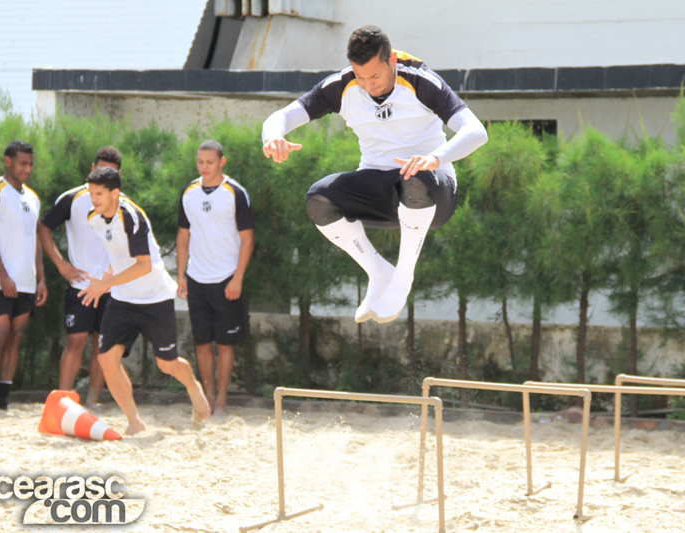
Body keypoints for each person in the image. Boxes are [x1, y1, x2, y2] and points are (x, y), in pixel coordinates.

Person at [262, 25, 487, 323]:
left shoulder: (421, 80)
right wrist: (273, 136)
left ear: (391, 60)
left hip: (433, 192)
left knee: (413, 179)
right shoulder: (342, 86)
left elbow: (476, 132)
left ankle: (403, 278)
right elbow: (283, 115)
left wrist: (436, 158)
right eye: (361, 77)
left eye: (375, 76)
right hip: (379, 190)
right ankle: (379, 271)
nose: (368, 85)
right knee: (318, 199)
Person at [79, 167, 210, 435]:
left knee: (166, 364)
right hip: (123, 299)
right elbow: (118, 256)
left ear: (115, 193)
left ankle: (193, 387)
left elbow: (143, 266)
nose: (94, 198)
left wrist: (105, 285)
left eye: (99, 193)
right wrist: (105, 279)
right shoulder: (93, 217)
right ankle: (134, 422)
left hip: (155, 297)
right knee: (106, 359)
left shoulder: (131, 217)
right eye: (91, 193)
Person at [38, 146, 121, 408]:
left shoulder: (122, 202)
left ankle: (93, 402)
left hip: (109, 287)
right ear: (93, 168)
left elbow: (128, 242)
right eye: (102, 169)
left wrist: (112, 274)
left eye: (112, 172)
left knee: (103, 347)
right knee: (75, 341)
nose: (105, 175)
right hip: (80, 284)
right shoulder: (72, 198)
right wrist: (61, 264)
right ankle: (63, 402)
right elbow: (44, 228)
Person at [176, 140, 254, 416]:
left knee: (225, 343)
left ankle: (222, 399)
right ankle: (207, 396)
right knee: (201, 343)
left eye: (210, 162)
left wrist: (238, 279)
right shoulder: (188, 193)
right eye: (200, 162)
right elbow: (183, 236)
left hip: (226, 280)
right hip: (197, 279)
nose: (204, 167)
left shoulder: (235, 193)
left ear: (222, 161)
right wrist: (181, 276)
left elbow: (247, 240)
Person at [0, 140, 47, 409]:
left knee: (15, 337)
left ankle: (2, 402)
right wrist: (3, 276)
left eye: (31, 164)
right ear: (7, 161)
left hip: (26, 283)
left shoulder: (32, 197)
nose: (27, 169)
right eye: (23, 163)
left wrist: (41, 278)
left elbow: (34, 238)